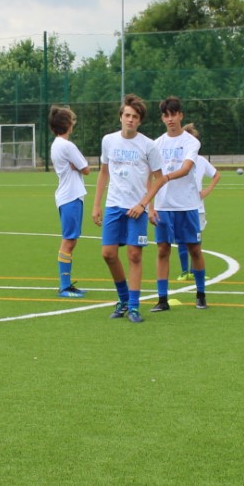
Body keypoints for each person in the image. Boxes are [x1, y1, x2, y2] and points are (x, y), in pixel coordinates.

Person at [93, 94, 163, 323]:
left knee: (134, 254)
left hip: (137, 209)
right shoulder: (109, 140)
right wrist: (97, 205)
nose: (130, 120)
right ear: (120, 117)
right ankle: (123, 299)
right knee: (108, 254)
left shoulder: (148, 145)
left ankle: (133, 306)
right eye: (127, 115)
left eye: (134, 117)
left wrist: (144, 205)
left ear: (140, 121)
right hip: (114, 205)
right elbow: (103, 172)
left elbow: (159, 178)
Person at [150, 97, 208, 311]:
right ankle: (162, 299)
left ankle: (201, 294)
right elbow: (150, 175)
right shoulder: (156, 144)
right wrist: (150, 206)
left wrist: (165, 178)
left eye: (174, 114)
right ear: (162, 118)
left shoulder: (191, 142)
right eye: (166, 115)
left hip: (187, 205)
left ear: (181, 115)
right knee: (163, 250)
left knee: (194, 248)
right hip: (163, 205)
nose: (170, 118)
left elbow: (185, 169)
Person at [48, 105, 91, 299]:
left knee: (70, 239)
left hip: (68, 196)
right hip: (71, 197)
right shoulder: (67, 145)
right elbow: (86, 168)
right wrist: (78, 166)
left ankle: (66, 284)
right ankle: (64, 286)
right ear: (67, 124)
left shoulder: (56, 145)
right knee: (69, 240)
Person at [178, 123, 218, 277]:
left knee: (196, 240)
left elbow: (216, 175)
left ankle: (196, 271)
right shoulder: (178, 160)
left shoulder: (201, 161)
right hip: (180, 206)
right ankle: (184, 272)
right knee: (181, 239)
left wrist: (206, 191)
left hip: (198, 208)